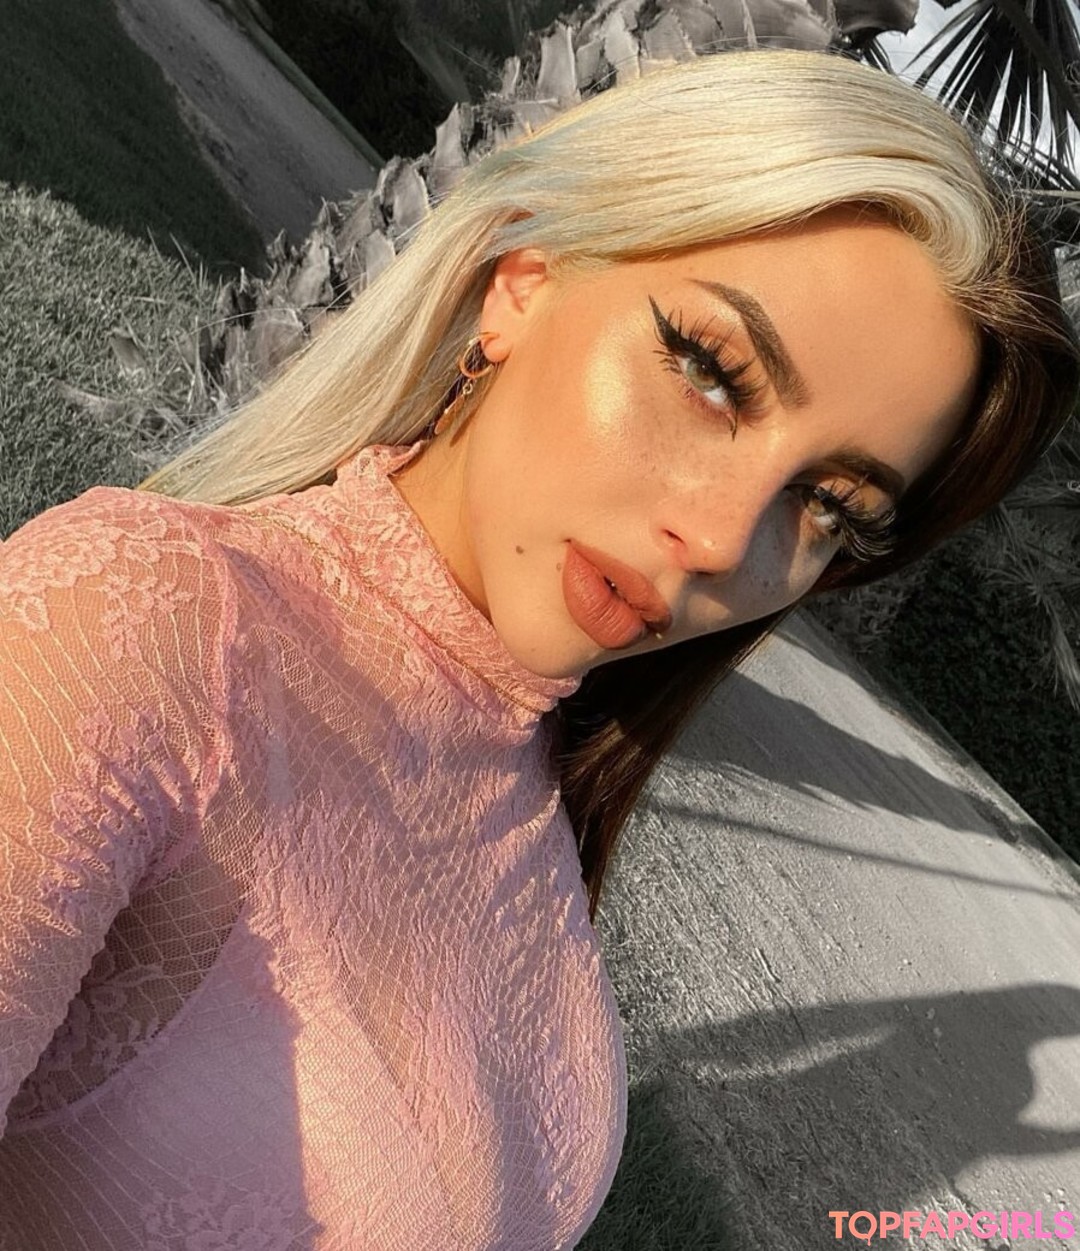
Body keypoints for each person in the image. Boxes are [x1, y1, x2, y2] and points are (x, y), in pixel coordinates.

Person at [0, 46, 1076, 1251]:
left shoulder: (537, 801)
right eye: (713, 373)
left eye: (829, 506)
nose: (722, 540)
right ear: (523, 280)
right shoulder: (146, 628)